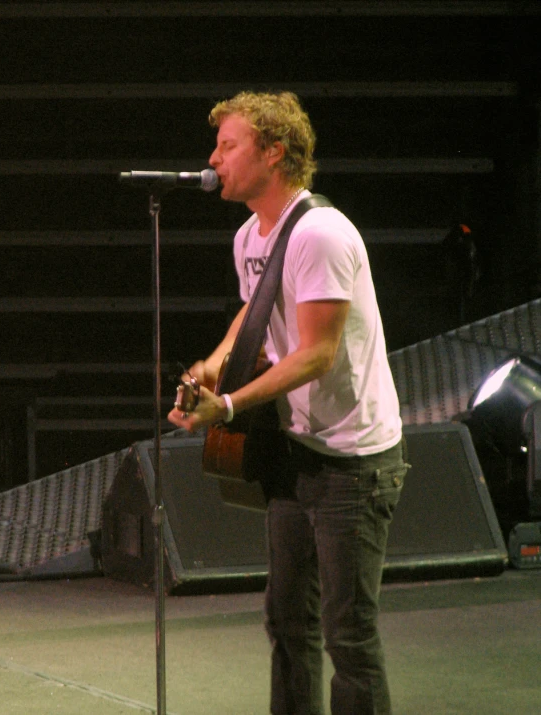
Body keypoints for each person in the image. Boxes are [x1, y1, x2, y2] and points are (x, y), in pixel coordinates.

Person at [168, 91, 408, 715]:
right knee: (287, 623)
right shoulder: (251, 234)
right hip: (296, 451)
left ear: (273, 153)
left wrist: (230, 406)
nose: (213, 158)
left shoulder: (323, 233)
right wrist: (214, 366)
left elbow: (315, 354)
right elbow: (257, 306)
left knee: (347, 636)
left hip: (352, 460)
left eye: (228, 145)